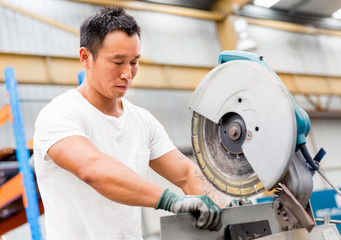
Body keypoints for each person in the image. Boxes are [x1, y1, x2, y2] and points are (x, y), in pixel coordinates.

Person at [33, 6, 226, 240]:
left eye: (134, 62)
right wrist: (171, 200)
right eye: (117, 62)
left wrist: (226, 209)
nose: (128, 73)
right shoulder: (60, 114)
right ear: (86, 57)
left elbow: (185, 173)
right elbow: (92, 168)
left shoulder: (143, 121)